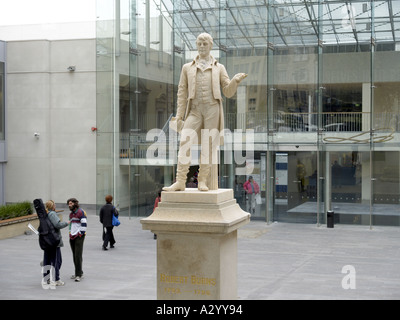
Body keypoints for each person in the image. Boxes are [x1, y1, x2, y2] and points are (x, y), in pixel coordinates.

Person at [163, 32, 247, 192]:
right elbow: (182, 93)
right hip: (193, 110)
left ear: (210, 46)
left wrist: (235, 81)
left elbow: (227, 92)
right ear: (196, 45)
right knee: (184, 141)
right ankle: (180, 180)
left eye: (205, 43)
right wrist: (179, 116)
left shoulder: (219, 68)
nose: (202, 46)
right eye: (199, 43)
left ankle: (202, 180)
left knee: (208, 145)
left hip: (212, 109)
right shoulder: (187, 67)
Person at [42, 200, 68, 286]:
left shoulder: (45, 215)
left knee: (47, 260)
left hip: (47, 241)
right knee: (57, 261)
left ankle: (46, 279)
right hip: (54, 241)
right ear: (52, 206)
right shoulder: (52, 214)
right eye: (55, 204)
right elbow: (58, 225)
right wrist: (67, 223)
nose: (55, 205)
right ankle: (56, 279)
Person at [67, 198, 87, 282]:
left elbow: (84, 224)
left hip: (79, 236)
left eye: (71, 203)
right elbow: (70, 225)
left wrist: (80, 233)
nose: (69, 205)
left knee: (78, 255)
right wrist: (70, 233)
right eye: (68, 204)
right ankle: (79, 272)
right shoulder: (71, 214)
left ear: (75, 204)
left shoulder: (81, 212)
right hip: (72, 236)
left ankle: (78, 275)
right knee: (74, 254)